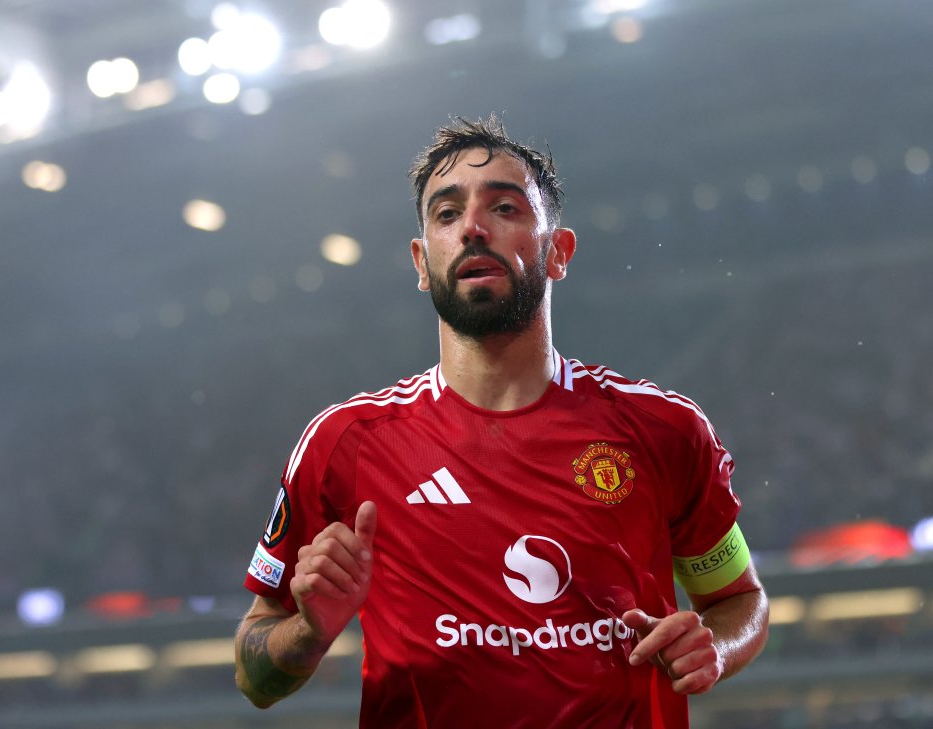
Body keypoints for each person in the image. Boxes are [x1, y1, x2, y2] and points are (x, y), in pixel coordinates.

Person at [235, 115, 768, 728]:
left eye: (505, 208)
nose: (472, 228)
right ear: (420, 260)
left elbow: (739, 599)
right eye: (445, 214)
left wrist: (715, 648)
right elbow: (255, 676)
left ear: (558, 251)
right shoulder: (345, 443)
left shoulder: (662, 428)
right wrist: (309, 630)